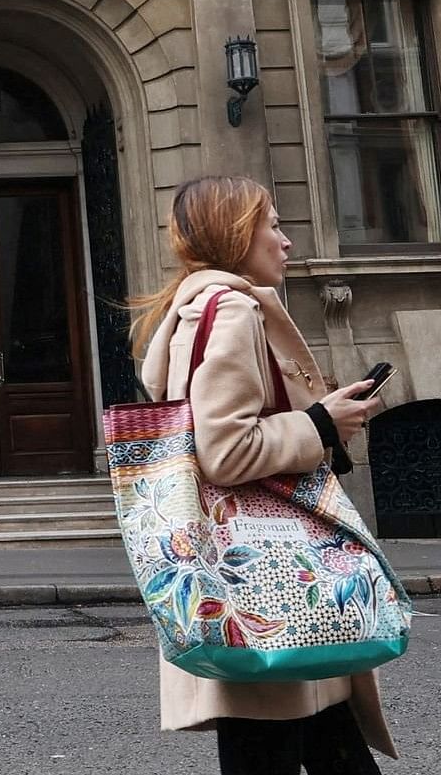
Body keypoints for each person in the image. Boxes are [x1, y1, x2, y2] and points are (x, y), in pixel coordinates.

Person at [132, 174, 396, 775]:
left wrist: (321, 417)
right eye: (272, 226)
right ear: (236, 235)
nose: (286, 242)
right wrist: (322, 425)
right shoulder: (232, 312)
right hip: (268, 586)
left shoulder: (197, 310)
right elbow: (223, 451)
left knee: (329, 749)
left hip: (262, 590)